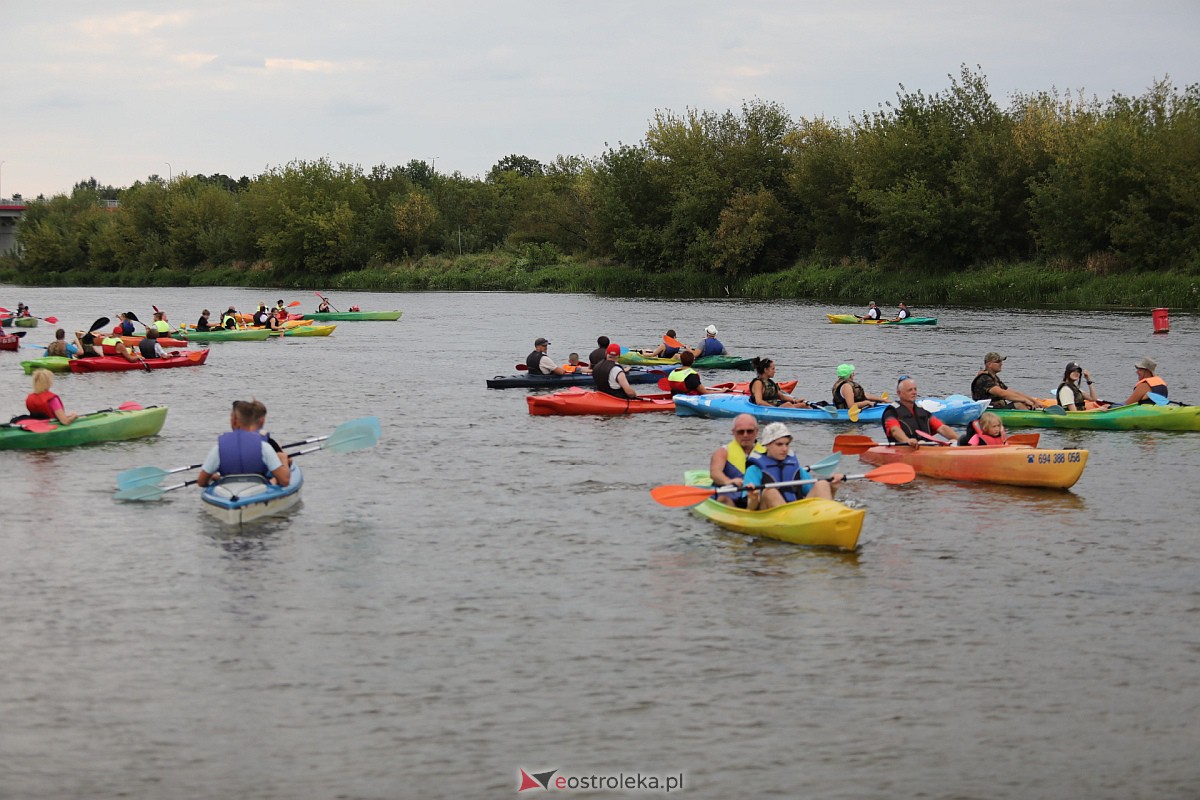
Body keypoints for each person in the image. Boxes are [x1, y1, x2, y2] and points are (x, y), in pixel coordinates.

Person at [197, 400, 291, 488]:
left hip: (228, 493)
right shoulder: (264, 447)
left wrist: (214, 477)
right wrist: (283, 459)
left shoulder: (218, 449)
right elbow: (284, 481)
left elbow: (201, 482)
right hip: (258, 491)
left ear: (234, 421)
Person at [745, 422, 842, 508]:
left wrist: (833, 489)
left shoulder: (796, 469)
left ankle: (830, 517)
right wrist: (753, 499)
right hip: (769, 514)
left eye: (787, 444)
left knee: (822, 484)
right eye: (779, 444)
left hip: (796, 513)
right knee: (770, 492)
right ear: (767, 445)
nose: (784, 449)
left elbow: (818, 497)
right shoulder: (754, 470)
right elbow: (750, 509)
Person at [883, 376, 960, 448]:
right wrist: (907, 441)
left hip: (925, 447)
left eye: (915, 389)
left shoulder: (922, 412)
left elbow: (942, 428)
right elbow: (894, 430)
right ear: (899, 393)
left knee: (954, 441)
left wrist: (960, 440)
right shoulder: (891, 412)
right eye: (910, 390)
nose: (914, 392)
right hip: (905, 448)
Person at [709, 413, 765, 507]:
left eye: (749, 431)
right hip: (730, 494)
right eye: (741, 432)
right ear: (733, 432)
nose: (745, 435)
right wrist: (728, 481)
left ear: (756, 431)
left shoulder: (767, 452)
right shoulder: (723, 451)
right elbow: (715, 473)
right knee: (723, 499)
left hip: (755, 494)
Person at [971, 352, 1041, 410]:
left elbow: (1011, 392)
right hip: (988, 411)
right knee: (1018, 404)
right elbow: (1002, 394)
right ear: (989, 364)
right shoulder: (984, 378)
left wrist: (1032, 400)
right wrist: (1024, 400)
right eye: (998, 362)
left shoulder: (994, 378)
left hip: (998, 409)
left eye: (1001, 361)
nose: (1001, 364)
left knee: (1021, 402)